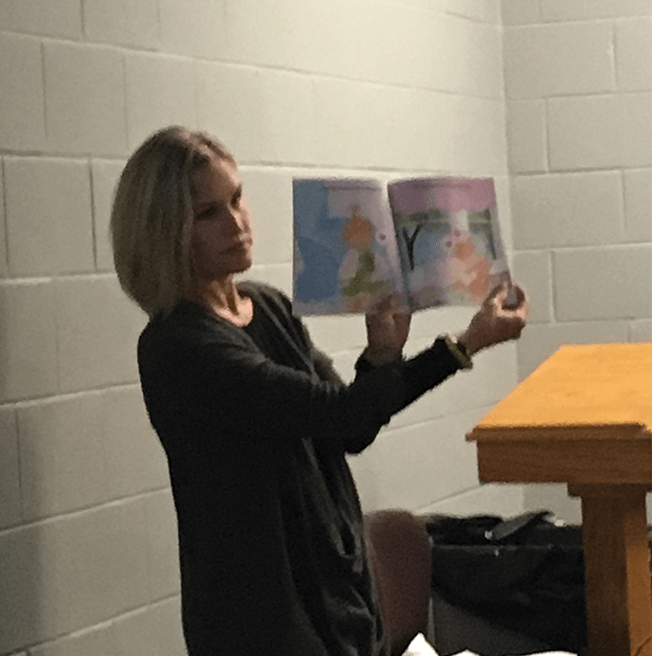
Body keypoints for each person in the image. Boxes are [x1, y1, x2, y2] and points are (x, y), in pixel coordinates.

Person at [110, 126, 529, 656]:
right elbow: (338, 412)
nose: (237, 223)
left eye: (237, 199)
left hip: (338, 589)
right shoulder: (179, 344)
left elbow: (349, 430)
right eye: (208, 213)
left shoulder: (269, 307)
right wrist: (465, 345)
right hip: (264, 616)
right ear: (165, 230)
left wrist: (381, 354)